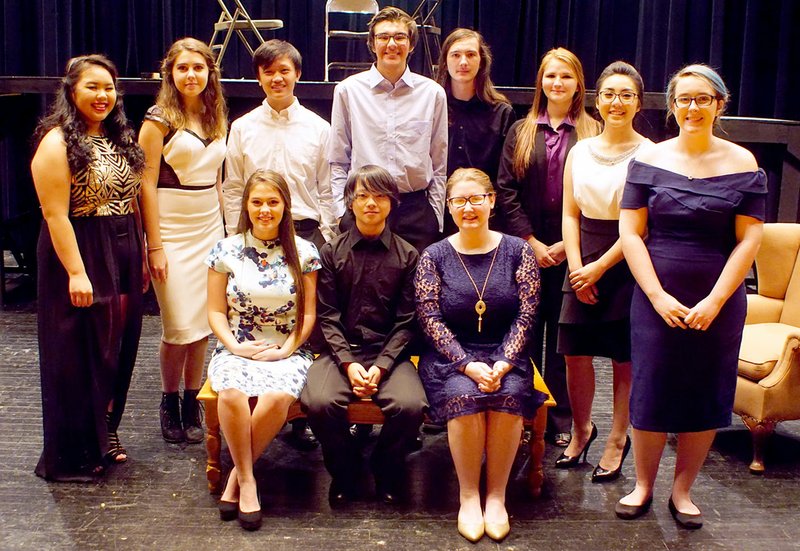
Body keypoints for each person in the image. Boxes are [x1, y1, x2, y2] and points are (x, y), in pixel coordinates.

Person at [616, 64, 766, 529]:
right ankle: (642, 484)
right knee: (652, 388)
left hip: (718, 299)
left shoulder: (744, 163)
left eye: (703, 99)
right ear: (672, 104)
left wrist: (716, 301)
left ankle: (682, 491)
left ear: (720, 104)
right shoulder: (648, 160)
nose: (692, 108)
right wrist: (658, 296)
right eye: (684, 99)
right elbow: (632, 233)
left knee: (705, 391)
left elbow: (749, 240)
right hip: (654, 293)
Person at [415, 168, 546, 542]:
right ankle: (469, 496)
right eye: (459, 201)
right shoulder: (434, 256)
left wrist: (504, 361)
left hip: (507, 352)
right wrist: (468, 364)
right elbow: (430, 318)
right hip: (452, 356)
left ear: (491, 201)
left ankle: (497, 496)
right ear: (449, 207)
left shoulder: (518, 250)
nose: (468, 207)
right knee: (465, 395)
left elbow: (527, 312)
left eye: (476, 199)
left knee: (507, 394)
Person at [31, 54, 145, 481]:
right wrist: (78, 273)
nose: (103, 96)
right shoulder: (56, 142)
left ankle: (105, 432)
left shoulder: (119, 137)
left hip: (123, 244)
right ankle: (74, 451)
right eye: (93, 87)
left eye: (109, 88)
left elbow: (130, 197)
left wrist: (143, 250)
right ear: (71, 90)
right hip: (80, 247)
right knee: (78, 350)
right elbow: (56, 214)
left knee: (116, 344)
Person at [223, 39, 333, 450]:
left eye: (284, 70)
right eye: (268, 71)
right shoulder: (243, 127)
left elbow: (326, 189)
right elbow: (234, 187)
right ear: (259, 78)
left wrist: (330, 238)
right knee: (259, 316)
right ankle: (254, 399)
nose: (277, 78)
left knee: (305, 322)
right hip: (255, 236)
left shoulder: (319, 128)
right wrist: (236, 240)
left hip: (304, 234)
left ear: (298, 74)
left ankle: (296, 412)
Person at [302, 165, 426, 505]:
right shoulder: (330, 253)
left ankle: (385, 470)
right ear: (350, 202)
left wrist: (383, 365)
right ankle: (346, 472)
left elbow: (407, 321)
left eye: (380, 196)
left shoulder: (408, 255)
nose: (371, 203)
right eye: (363, 196)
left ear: (392, 202)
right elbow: (326, 316)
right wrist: (349, 364)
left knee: (410, 405)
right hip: (338, 352)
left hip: (388, 353)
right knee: (319, 402)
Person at [495, 47, 600, 448]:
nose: (557, 83)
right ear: (541, 81)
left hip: (573, 250)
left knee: (562, 339)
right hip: (525, 250)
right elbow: (505, 190)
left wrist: (563, 245)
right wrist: (531, 241)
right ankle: (525, 409)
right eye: (551, 76)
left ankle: (560, 417)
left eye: (566, 77)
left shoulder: (592, 132)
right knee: (522, 332)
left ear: (578, 85)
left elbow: (595, 197)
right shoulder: (520, 131)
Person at [207, 170, 320, 531]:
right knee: (232, 394)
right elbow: (214, 312)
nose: (265, 210)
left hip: (288, 348)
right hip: (237, 345)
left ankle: (235, 480)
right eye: (257, 202)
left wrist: (287, 349)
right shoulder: (226, 249)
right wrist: (234, 346)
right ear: (246, 206)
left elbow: (309, 314)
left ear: (286, 206)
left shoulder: (305, 252)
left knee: (275, 398)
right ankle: (249, 481)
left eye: (273, 202)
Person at [555, 62, 652, 481]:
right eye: (609, 93)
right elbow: (569, 215)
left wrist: (599, 267)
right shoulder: (580, 150)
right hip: (581, 258)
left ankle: (617, 438)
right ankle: (581, 430)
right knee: (575, 355)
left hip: (627, 258)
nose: (617, 101)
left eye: (626, 94)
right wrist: (578, 269)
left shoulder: (651, 153)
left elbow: (643, 226)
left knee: (622, 358)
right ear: (597, 99)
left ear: (638, 103)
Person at [139, 37, 227, 445]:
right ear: (169, 73)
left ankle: (193, 402)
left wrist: (228, 236)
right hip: (171, 233)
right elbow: (145, 185)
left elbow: (221, 181)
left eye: (198, 67)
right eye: (183, 68)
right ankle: (168, 402)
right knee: (177, 326)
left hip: (210, 227)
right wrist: (153, 245)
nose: (191, 75)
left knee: (203, 325)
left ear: (210, 71)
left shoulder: (216, 115)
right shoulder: (157, 121)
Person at [329, 6, 448, 253]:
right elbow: (338, 160)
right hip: (365, 208)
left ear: (411, 44)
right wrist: (342, 212)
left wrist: (434, 217)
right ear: (372, 44)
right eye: (383, 37)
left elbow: (439, 163)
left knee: (416, 289)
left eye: (399, 37)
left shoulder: (433, 93)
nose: (391, 44)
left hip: (415, 211)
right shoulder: (348, 91)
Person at [436, 28, 516, 235]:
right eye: (456, 55)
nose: (463, 62)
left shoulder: (502, 112)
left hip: (487, 218)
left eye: (471, 54)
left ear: (482, 61)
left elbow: (506, 178)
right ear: (445, 61)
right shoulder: (432, 108)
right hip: (440, 219)